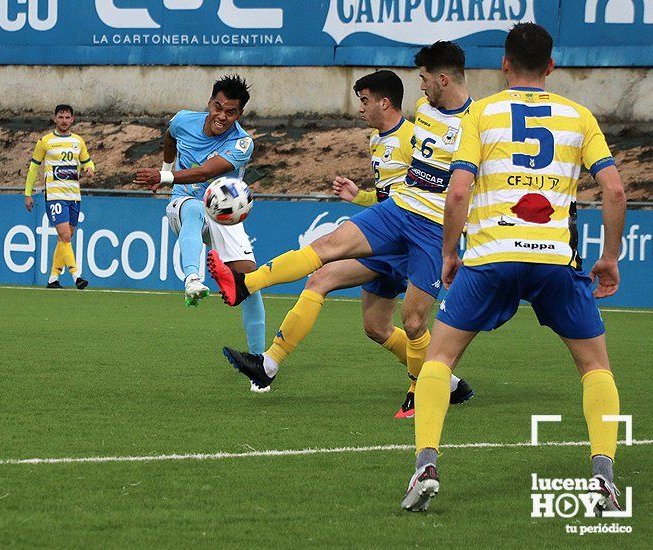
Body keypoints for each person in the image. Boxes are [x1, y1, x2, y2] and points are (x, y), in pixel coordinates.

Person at [401, 23, 626, 514]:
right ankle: (604, 477)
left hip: (491, 258)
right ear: (551, 66)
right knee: (594, 367)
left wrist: (449, 253)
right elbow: (614, 190)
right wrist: (608, 257)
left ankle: (426, 465)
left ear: (504, 64)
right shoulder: (579, 116)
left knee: (439, 360)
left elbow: (458, 192)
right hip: (553, 262)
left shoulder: (480, 114)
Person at [209, 43, 473, 400]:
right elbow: (398, 188)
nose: (421, 87)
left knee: (410, 320)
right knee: (374, 325)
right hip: (396, 218)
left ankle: (421, 389)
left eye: (365, 100)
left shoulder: (431, 130)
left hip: (424, 232)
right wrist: (361, 197)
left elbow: (459, 185)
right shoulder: (408, 121)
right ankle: (448, 384)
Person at [134, 75, 266, 360]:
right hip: (185, 203)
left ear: (239, 114)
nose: (221, 116)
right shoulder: (183, 120)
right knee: (193, 208)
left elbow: (206, 172)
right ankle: (193, 279)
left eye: (230, 112)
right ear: (209, 103)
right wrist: (166, 166)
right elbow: (170, 135)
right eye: (217, 107)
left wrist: (163, 176)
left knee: (250, 282)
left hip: (224, 215)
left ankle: (258, 360)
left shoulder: (243, 143)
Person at [24, 104, 94, 289]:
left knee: (65, 237)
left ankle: (53, 278)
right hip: (55, 195)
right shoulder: (45, 141)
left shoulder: (78, 141)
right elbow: (33, 167)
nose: (64, 120)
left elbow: (88, 161)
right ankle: (76, 275)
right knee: (65, 235)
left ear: (72, 119)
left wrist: (89, 169)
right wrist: (28, 193)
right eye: (60, 117)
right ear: (55, 119)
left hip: (74, 196)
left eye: (67, 117)